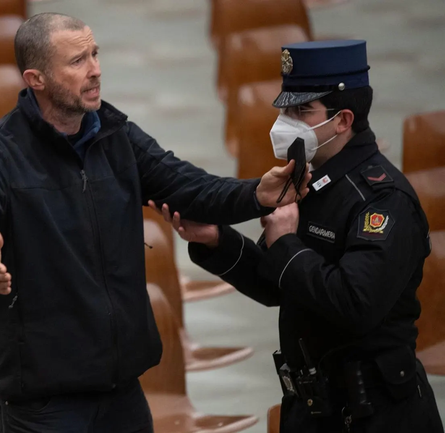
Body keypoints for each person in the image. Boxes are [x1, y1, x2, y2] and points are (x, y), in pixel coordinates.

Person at [0, 12, 308, 433]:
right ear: (35, 78)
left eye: (95, 54)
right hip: (43, 409)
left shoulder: (115, 135)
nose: (95, 69)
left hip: (123, 397)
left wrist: (256, 194)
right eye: (77, 61)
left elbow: (188, 187)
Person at [156, 40, 444, 433]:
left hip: (376, 414)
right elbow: (277, 284)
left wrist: (287, 244)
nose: (284, 122)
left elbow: (356, 304)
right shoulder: (309, 179)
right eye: (285, 109)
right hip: (313, 408)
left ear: (343, 120)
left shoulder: (382, 200)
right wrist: (217, 241)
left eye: (301, 111)